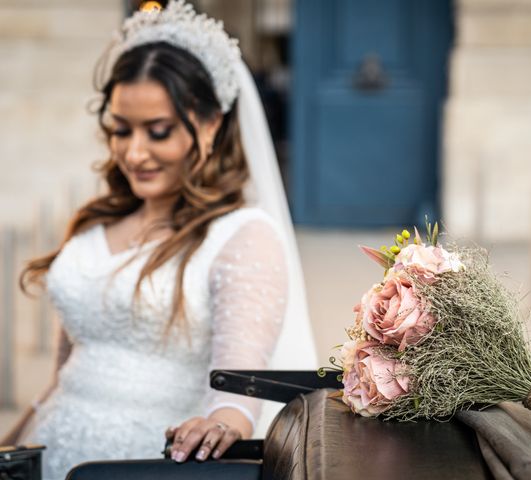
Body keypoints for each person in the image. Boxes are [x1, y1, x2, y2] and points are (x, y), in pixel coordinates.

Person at [0, 1, 317, 478]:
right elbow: (60, 377)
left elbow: (236, 391)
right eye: (121, 130)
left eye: (159, 131)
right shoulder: (93, 223)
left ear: (210, 125)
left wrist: (222, 422)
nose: (134, 151)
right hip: (50, 453)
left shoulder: (242, 236)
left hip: (143, 464)